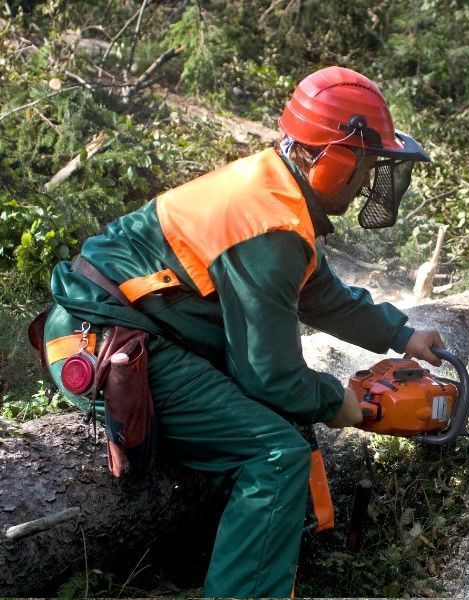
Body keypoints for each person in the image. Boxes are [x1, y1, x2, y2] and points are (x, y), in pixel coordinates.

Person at [40, 65, 445, 597]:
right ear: (335, 158)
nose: (369, 180)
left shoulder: (274, 194)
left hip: (131, 330)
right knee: (275, 457)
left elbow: (321, 295)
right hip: (110, 343)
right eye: (367, 164)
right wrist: (339, 402)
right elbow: (270, 376)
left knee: (274, 431)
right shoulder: (270, 227)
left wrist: (402, 334)